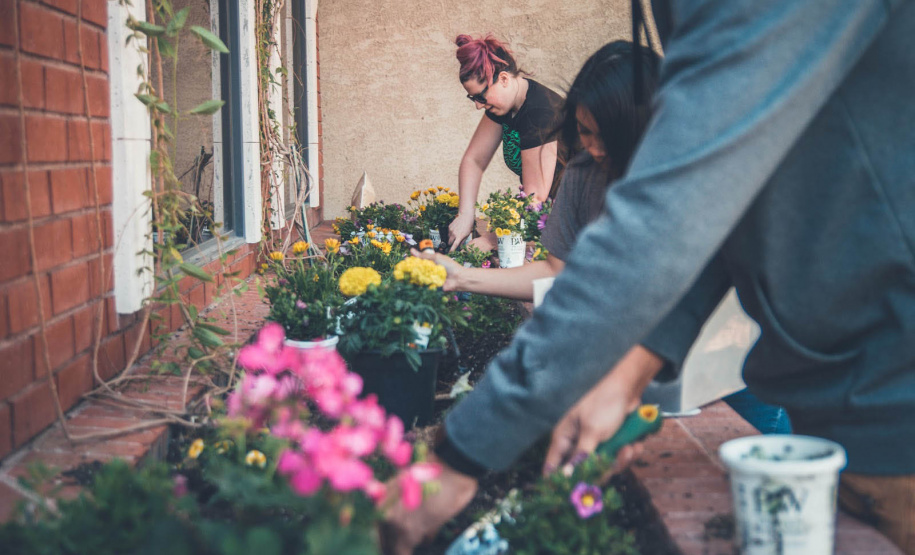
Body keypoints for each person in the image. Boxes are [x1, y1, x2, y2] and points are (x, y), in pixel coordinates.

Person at [382, 1, 915, 554]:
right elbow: (712, 219)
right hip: (839, 389)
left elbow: (671, 216)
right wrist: (628, 374)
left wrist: (466, 450)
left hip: (889, 393)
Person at [424, 40, 791, 436]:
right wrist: (462, 276)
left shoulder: (697, 174)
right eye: (584, 133)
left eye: (606, 136)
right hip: (653, 365)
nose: (593, 149)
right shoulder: (583, 174)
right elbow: (556, 272)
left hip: (737, 360)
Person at [447, 34, 565, 252]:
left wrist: (491, 240)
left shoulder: (539, 114)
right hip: (549, 220)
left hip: (580, 220)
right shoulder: (505, 106)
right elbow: (474, 160)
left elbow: (535, 200)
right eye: (473, 98)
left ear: (503, 79)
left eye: (481, 97)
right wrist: (465, 215)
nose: (478, 106)